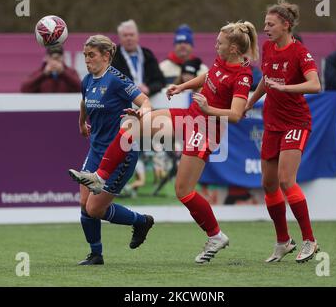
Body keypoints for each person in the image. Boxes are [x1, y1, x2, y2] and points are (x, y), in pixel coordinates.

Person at [69, 21, 259, 263]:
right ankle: (100, 177)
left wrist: (208, 108)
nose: (215, 45)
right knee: (132, 125)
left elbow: (235, 115)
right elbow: (210, 76)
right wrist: (183, 86)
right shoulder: (223, 60)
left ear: (233, 48)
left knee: (183, 191)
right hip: (191, 118)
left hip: (206, 128)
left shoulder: (243, 75)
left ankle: (216, 236)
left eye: (219, 42)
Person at [245, 0, 321, 263]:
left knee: (287, 180)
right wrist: (251, 102)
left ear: (285, 25)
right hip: (272, 124)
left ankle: (310, 240)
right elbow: (266, 81)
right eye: (265, 23)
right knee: (268, 183)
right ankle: (283, 242)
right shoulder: (267, 47)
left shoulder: (300, 53)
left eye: (270, 24)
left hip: (296, 122)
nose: (265, 28)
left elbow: (315, 85)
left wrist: (286, 88)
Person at [69, 35, 154, 265]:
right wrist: (81, 122)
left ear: (106, 56)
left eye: (92, 55)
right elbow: (85, 101)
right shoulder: (87, 80)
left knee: (95, 209)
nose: (87, 60)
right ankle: (96, 254)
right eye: (85, 55)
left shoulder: (117, 80)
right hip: (96, 151)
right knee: (84, 205)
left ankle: (141, 221)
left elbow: (145, 101)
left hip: (121, 154)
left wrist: (142, 114)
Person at [111, 19, 165, 97]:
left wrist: (148, 89)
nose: (129, 38)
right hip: (122, 101)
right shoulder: (113, 57)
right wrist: (130, 89)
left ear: (137, 36)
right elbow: (111, 82)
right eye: (125, 35)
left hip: (148, 100)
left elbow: (160, 81)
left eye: (132, 35)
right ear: (119, 37)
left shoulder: (147, 55)